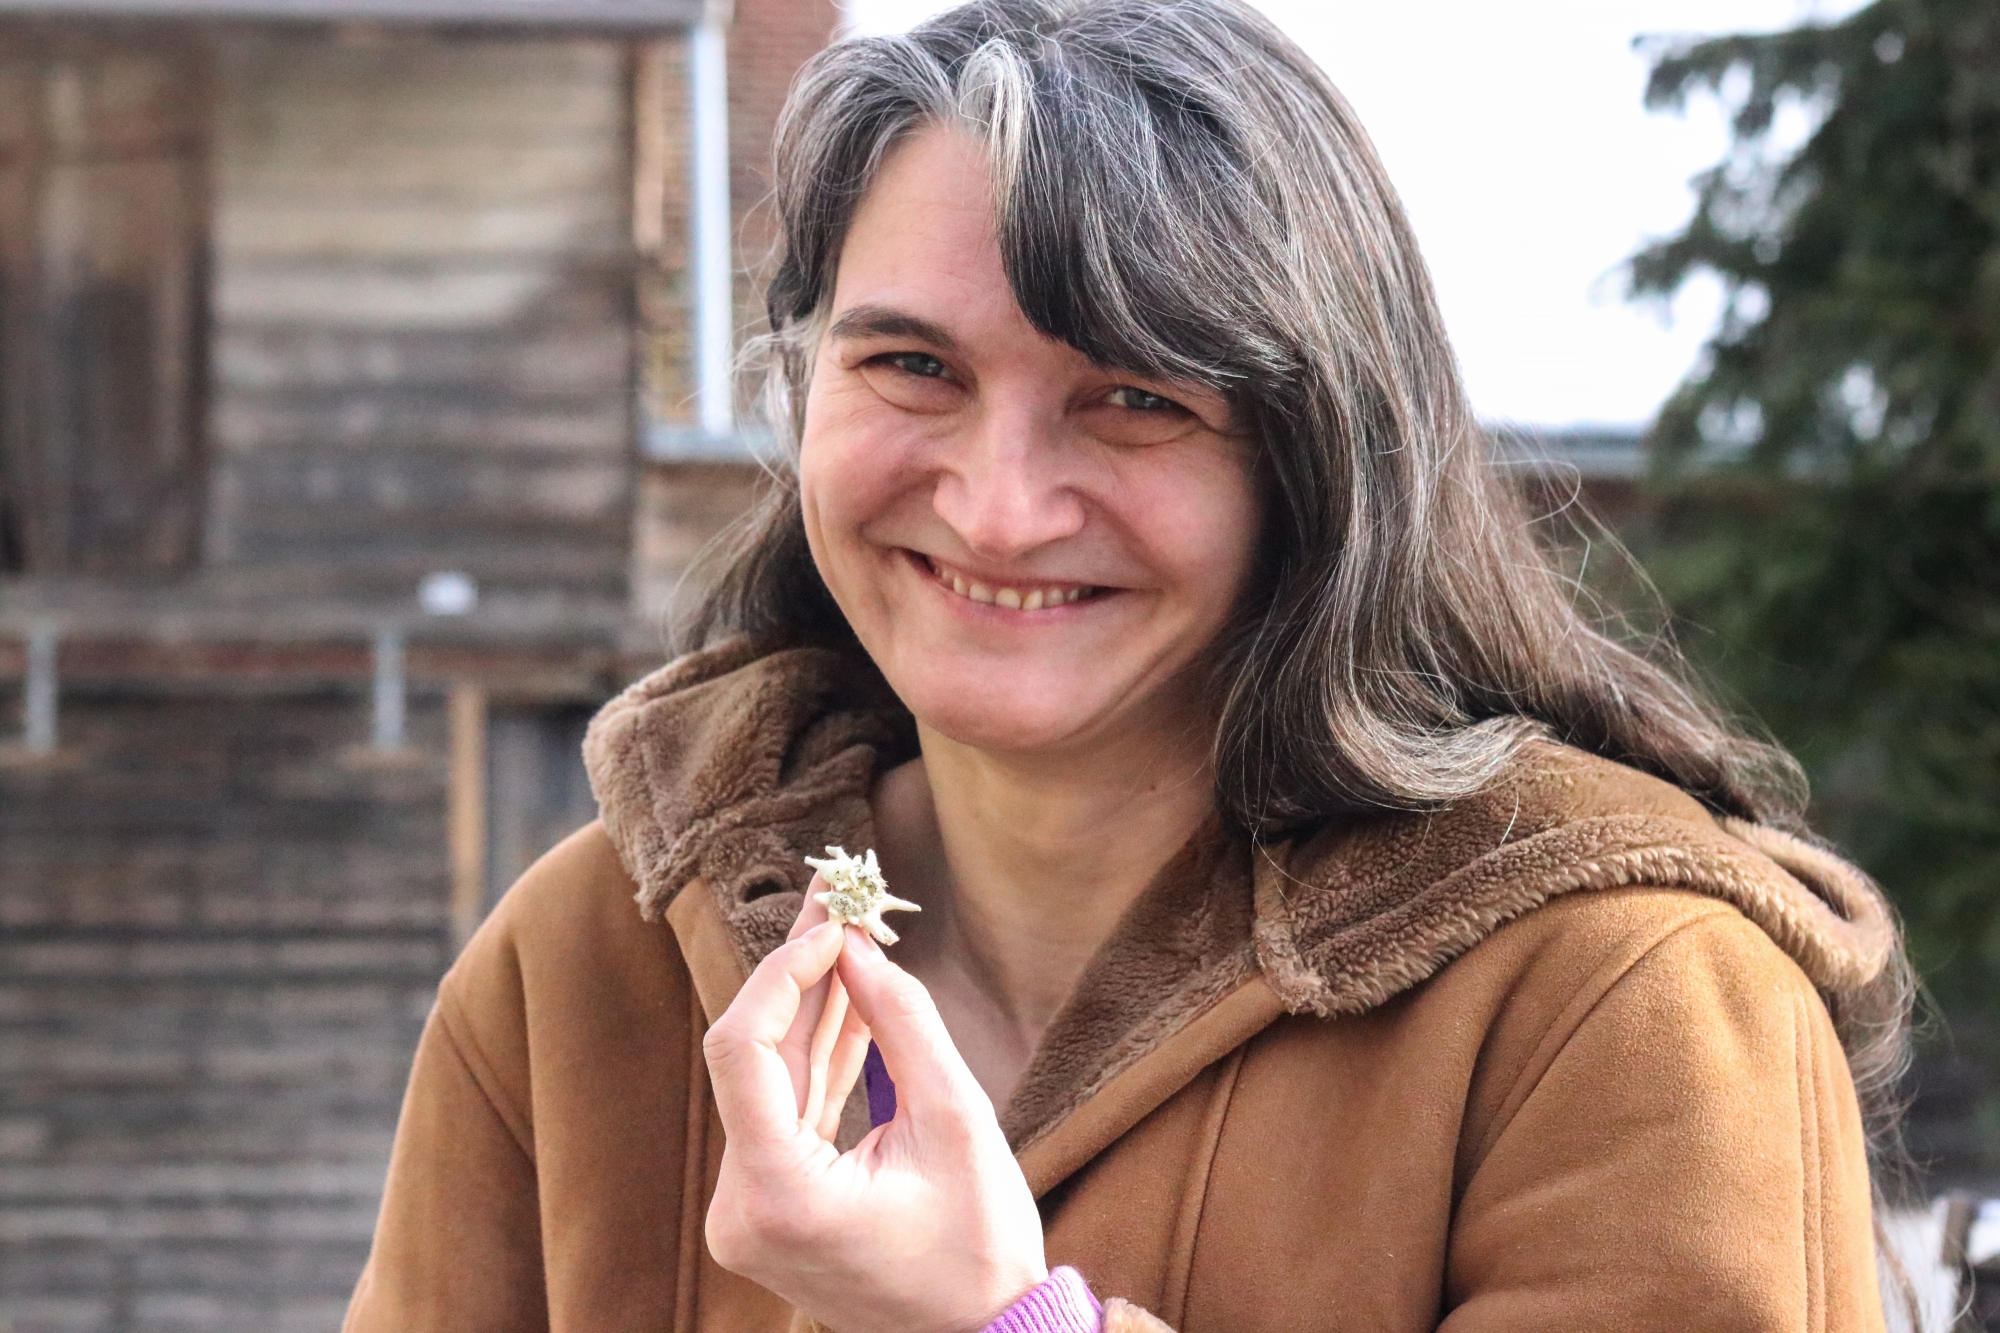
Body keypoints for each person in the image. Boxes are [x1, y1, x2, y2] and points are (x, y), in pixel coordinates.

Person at [343, 2, 1915, 1330]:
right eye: (911, 365)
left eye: (1136, 399)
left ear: (1314, 461)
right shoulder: (581, 967)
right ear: (795, 382)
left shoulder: (1627, 995)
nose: (1000, 505)